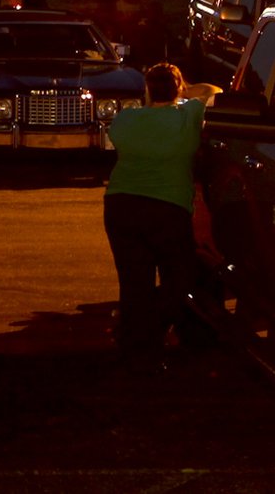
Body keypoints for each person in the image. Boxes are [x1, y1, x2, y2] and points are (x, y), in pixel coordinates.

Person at [102, 62, 215, 372]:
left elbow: (117, 143)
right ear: (177, 88)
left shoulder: (127, 119)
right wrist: (186, 91)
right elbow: (213, 92)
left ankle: (136, 349)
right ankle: (148, 337)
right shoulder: (189, 114)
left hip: (121, 204)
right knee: (179, 279)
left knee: (133, 282)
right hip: (168, 207)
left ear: (146, 90)